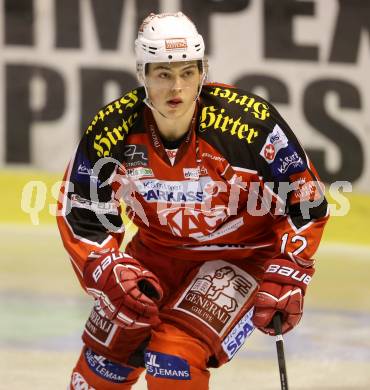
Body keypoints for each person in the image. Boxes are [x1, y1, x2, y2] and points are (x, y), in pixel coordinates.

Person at [57, 11, 329, 390]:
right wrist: (106, 266)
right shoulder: (112, 130)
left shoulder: (248, 125)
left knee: (174, 360)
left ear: (203, 72)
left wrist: (289, 264)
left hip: (243, 255)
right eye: (163, 74)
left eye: (188, 72)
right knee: (102, 362)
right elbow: (81, 210)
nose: (177, 88)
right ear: (142, 75)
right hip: (156, 252)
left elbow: (305, 198)